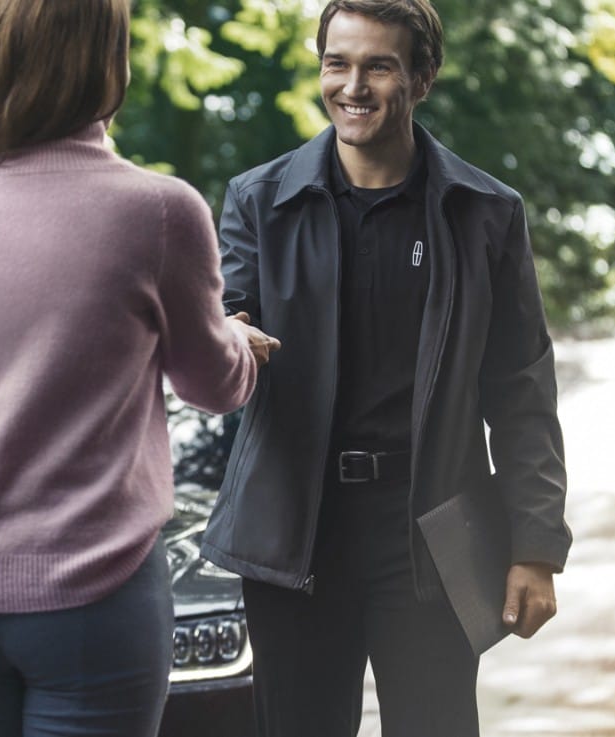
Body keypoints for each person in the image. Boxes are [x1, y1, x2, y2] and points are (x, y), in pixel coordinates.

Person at [0, 1, 277, 735]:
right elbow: (211, 385)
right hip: (90, 601)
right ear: (111, 63)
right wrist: (238, 342)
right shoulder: (158, 210)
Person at [200, 1, 572, 735]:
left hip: (431, 531)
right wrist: (222, 336)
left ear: (423, 77)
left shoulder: (486, 213)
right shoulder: (258, 201)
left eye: (379, 65)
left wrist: (536, 547)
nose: (353, 85)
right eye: (336, 63)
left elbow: (522, 390)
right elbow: (220, 332)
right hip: (293, 531)